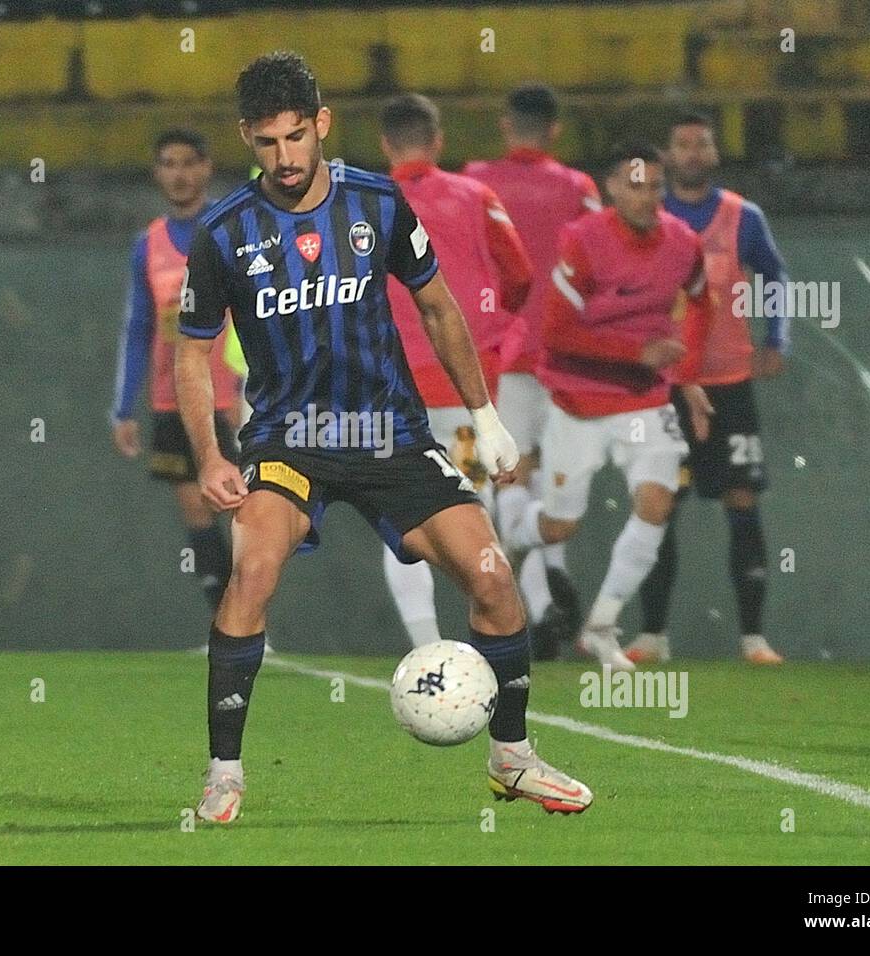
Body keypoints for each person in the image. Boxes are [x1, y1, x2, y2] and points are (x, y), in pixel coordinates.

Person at [176, 51, 592, 824]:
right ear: (246, 139)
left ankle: (512, 759)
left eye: (297, 137)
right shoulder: (224, 233)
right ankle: (225, 771)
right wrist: (210, 456)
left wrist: (486, 418)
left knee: (495, 579)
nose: (285, 157)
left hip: (390, 435)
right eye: (267, 143)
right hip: (288, 440)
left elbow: (438, 307)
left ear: (322, 123)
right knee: (253, 570)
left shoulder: (379, 204)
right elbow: (192, 353)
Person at [496, 142, 713, 673]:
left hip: (643, 402)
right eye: (635, 186)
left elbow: (704, 303)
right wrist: (636, 351)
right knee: (560, 527)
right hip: (579, 400)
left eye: (655, 187)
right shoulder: (585, 243)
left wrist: (685, 375)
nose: (647, 197)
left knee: (658, 502)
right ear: (612, 188)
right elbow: (557, 332)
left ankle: (601, 625)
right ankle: (510, 539)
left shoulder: (683, 244)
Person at [628, 112, 790, 666]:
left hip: (729, 383)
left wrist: (777, 339)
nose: (693, 152)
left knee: (742, 499)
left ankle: (753, 637)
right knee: (659, 501)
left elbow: (775, 274)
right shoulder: (647, 214)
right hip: (666, 386)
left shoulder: (742, 216)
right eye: (682, 143)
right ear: (668, 156)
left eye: (702, 143)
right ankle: (652, 634)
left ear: (714, 154)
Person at [378, 92, 532, 648]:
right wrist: (492, 334)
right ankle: (483, 644)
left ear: (385, 145)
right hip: (467, 391)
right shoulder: (476, 196)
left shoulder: (366, 204)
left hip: (393, 392)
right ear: (438, 141)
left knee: (402, 520)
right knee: (474, 513)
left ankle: (427, 650)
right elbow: (519, 277)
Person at [464, 83, 601, 657]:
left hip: (505, 350)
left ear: (504, 124)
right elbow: (602, 259)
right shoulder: (578, 188)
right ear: (555, 130)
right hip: (569, 355)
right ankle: (549, 595)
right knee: (554, 475)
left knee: (507, 475)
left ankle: (538, 601)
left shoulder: (474, 181)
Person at [112, 129, 241, 616]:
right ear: (157, 172)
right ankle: (227, 621)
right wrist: (123, 407)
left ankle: (250, 616)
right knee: (195, 508)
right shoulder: (149, 243)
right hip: (173, 399)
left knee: (248, 511)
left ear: (206, 167)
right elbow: (138, 325)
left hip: (231, 396)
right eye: (169, 164)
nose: (180, 174)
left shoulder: (231, 228)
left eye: (189, 163)